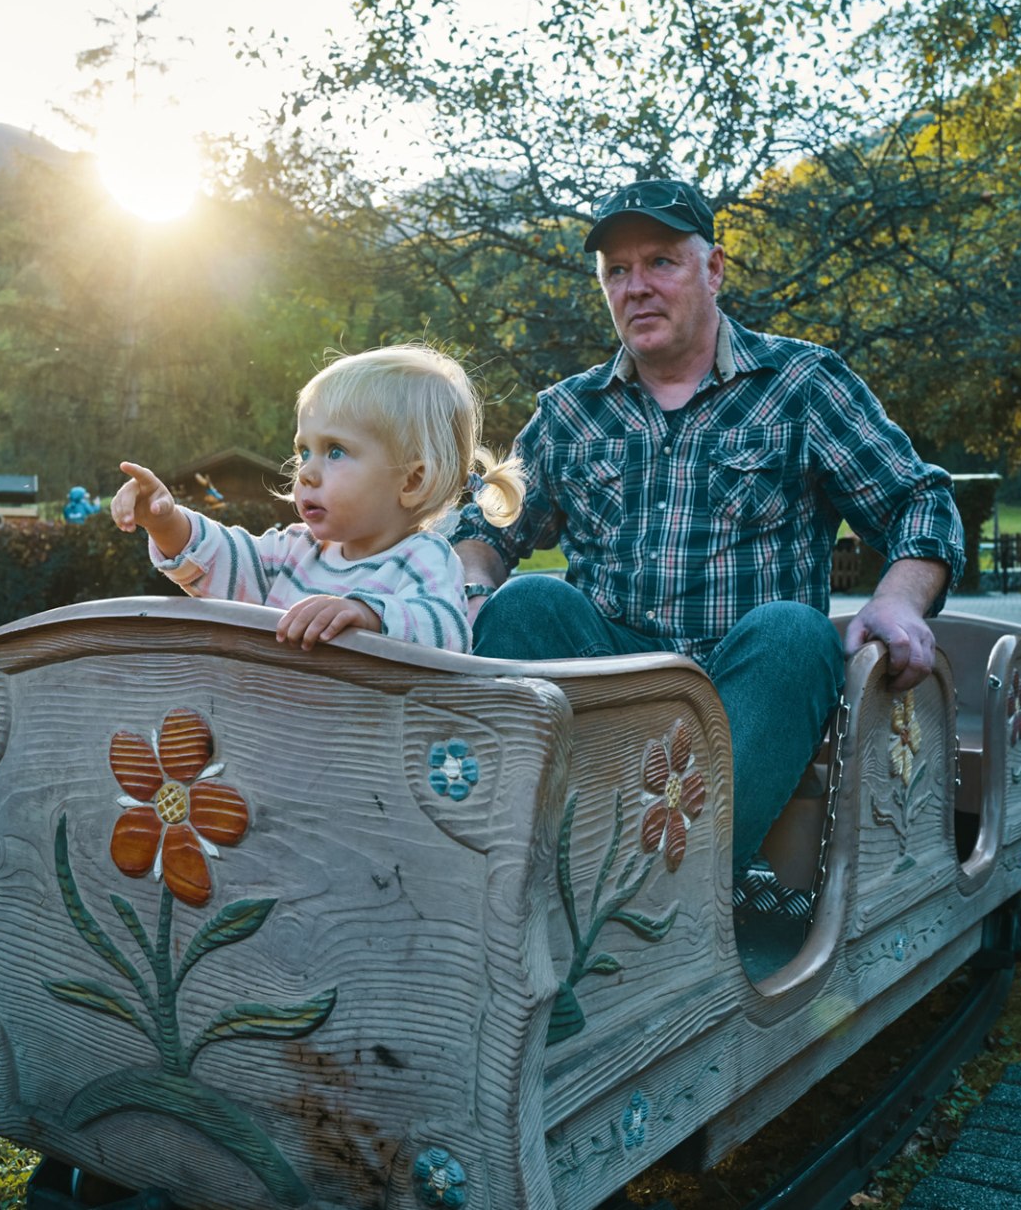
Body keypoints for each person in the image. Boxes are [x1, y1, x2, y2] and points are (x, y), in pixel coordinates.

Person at [451, 178, 965, 877]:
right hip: (605, 685)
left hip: (746, 688)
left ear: (714, 269)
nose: (636, 287)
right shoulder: (570, 412)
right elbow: (487, 526)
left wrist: (898, 600)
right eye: (617, 271)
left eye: (660, 261)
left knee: (794, 631)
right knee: (526, 603)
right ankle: (509, 871)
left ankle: (678, 900)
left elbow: (919, 502)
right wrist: (475, 581)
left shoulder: (801, 384)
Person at [113, 345, 526, 653]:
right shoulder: (294, 551)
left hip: (364, 753)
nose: (306, 471)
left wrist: (369, 615)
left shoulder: (423, 559)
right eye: (303, 451)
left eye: (335, 452)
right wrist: (166, 523)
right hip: (277, 740)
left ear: (410, 481)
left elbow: (447, 630)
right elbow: (225, 561)